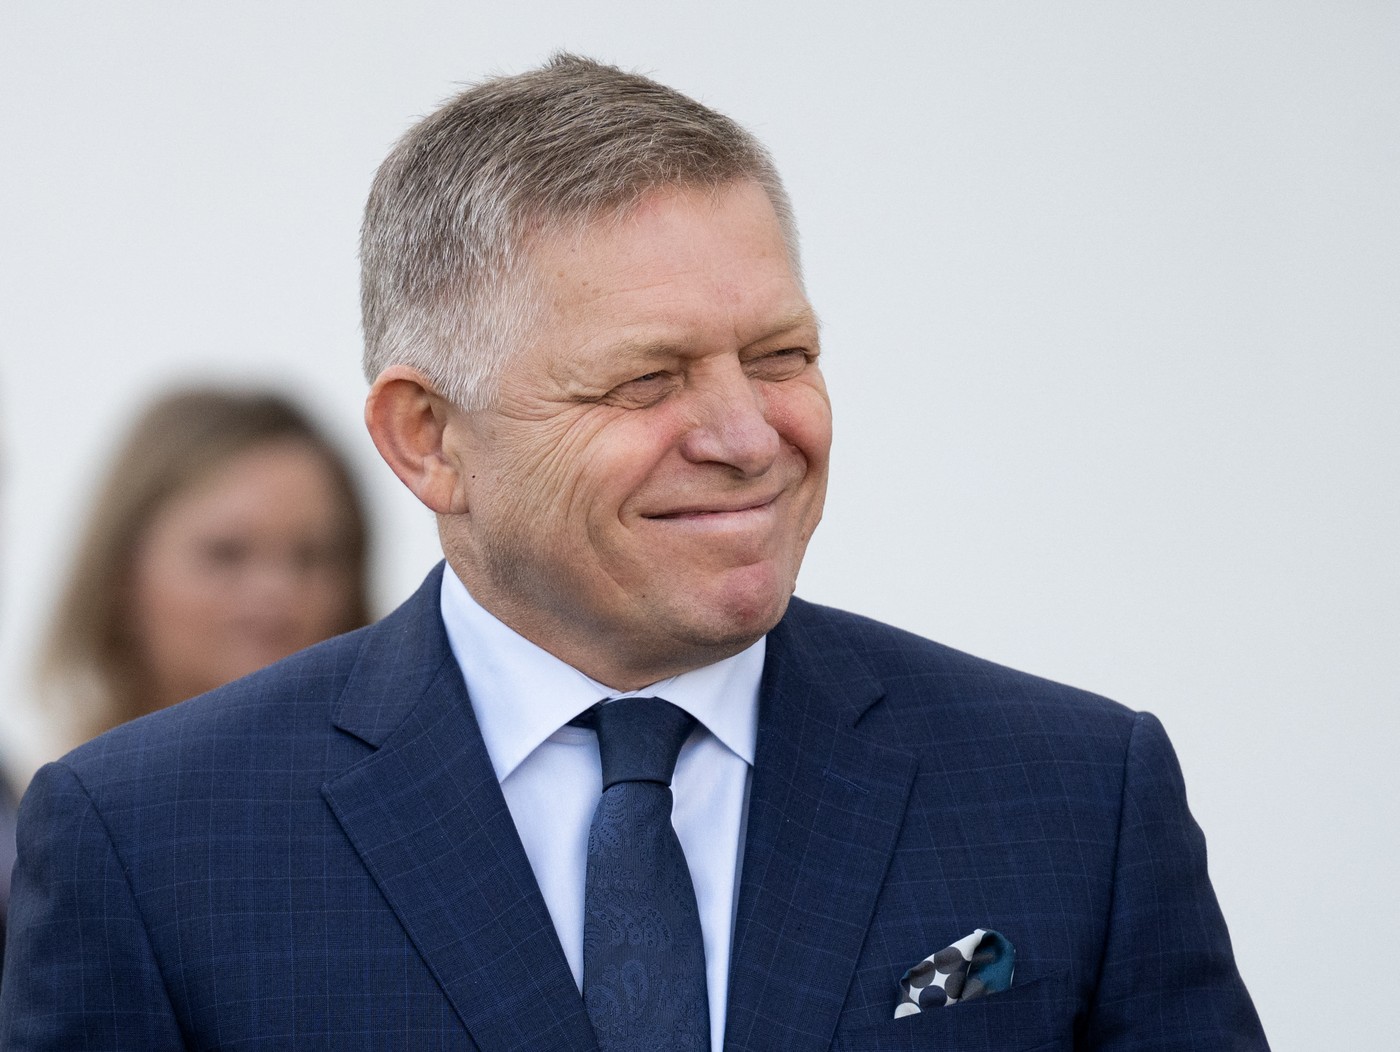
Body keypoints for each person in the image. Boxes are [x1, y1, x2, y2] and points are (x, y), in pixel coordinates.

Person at [0, 55, 1269, 1050]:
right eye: (644, 378)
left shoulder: (1072, 791)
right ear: (427, 437)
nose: (745, 433)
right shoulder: (150, 841)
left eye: (781, 356)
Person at [27, 386, 372, 765]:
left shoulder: (404, 796)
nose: (277, 590)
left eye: (312, 557)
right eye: (226, 554)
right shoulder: (42, 809)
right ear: (121, 574)